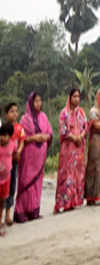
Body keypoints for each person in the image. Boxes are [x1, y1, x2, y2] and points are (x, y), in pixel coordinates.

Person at [14, 92, 53, 223]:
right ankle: (21, 212)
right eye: (36, 101)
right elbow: (21, 137)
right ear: (30, 103)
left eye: (40, 101)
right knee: (26, 182)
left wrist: (45, 137)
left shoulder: (44, 117)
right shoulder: (25, 119)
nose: (38, 103)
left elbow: (50, 132)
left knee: (37, 184)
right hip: (28, 157)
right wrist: (33, 138)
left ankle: (34, 210)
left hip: (39, 158)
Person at [55, 89, 86, 214]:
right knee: (66, 174)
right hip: (68, 148)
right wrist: (74, 137)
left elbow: (85, 126)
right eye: (74, 96)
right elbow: (63, 129)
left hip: (78, 148)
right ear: (70, 97)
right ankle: (63, 202)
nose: (76, 99)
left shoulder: (81, 112)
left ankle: (74, 201)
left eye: (78, 96)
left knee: (77, 174)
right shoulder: (64, 113)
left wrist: (81, 136)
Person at [2, 103, 25, 227]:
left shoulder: (19, 128)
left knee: (11, 186)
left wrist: (19, 151)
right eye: (12, 111)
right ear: (6, 115)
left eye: (16, 111)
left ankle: (8, 213)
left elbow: (22, 141)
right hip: (4, 161)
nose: (15, 114)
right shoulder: (3, 129)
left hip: (14, 160)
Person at [0, 123, 18, 237]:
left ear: (10, 136)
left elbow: (16, 155)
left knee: (1, 203)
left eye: (5, 135)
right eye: (0, 135)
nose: (2, 137)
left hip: (6, 179)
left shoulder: (12, 145)